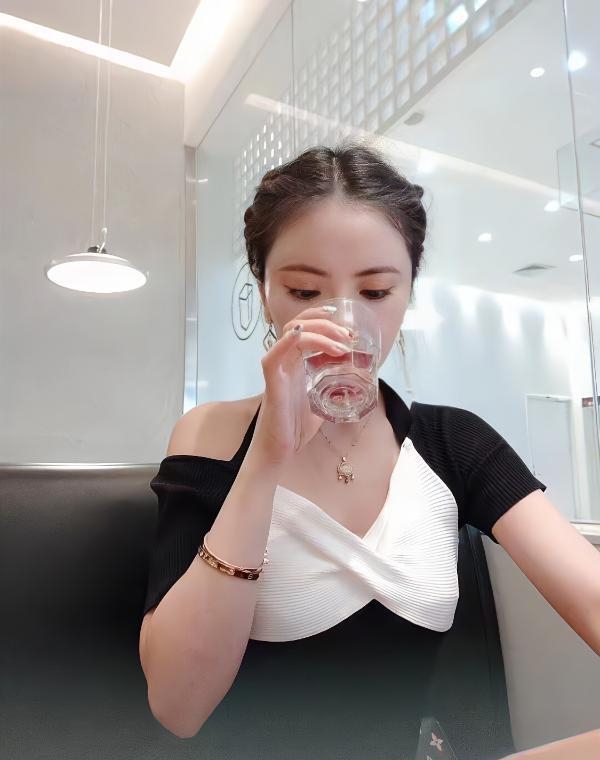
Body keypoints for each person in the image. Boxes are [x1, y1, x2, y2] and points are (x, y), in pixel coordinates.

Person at [139, 144, 600, 760]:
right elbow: (178, 707)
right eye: (304, 290)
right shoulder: (210, 437)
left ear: (408, 292)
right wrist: (265, 460)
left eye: (377, 292)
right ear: (264, 289)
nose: (341, 324)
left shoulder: (452, 442)